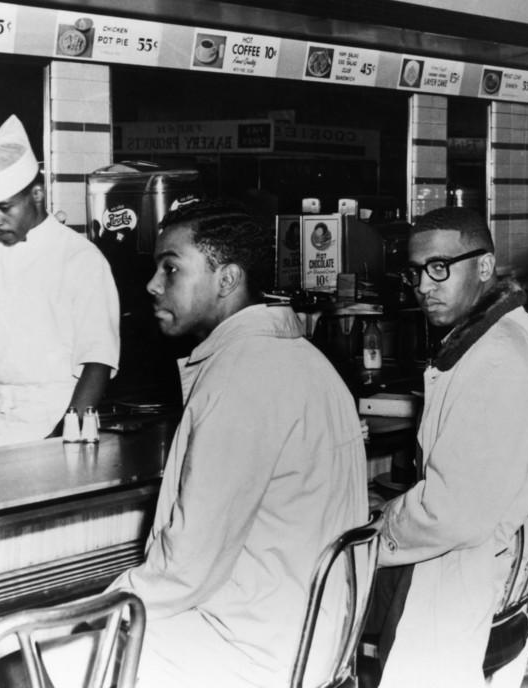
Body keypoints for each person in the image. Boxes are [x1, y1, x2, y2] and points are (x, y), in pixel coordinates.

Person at [108, 200, 368, 687]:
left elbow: (188, 569)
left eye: (171, 268)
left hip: (248, 653)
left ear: (226, 279)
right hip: (315, 642)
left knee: (20, 660)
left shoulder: (242, 377)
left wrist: (103, 602)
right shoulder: (304, 359)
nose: (152, 284)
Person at [374, 207, 528, 688]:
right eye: (415, 272)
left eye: (439, 268)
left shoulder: (495, 359)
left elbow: (451, 514)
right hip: (508, 576)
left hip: (467, 584)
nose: (424, 286)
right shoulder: (523, 334)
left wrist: (376, 530)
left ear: (482, 266)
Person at [0, 115, 119, 451]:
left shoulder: (80, 259)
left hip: (59, 422)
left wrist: (63, 438)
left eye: (4, 208)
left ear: (37, 194)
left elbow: (97, 362)